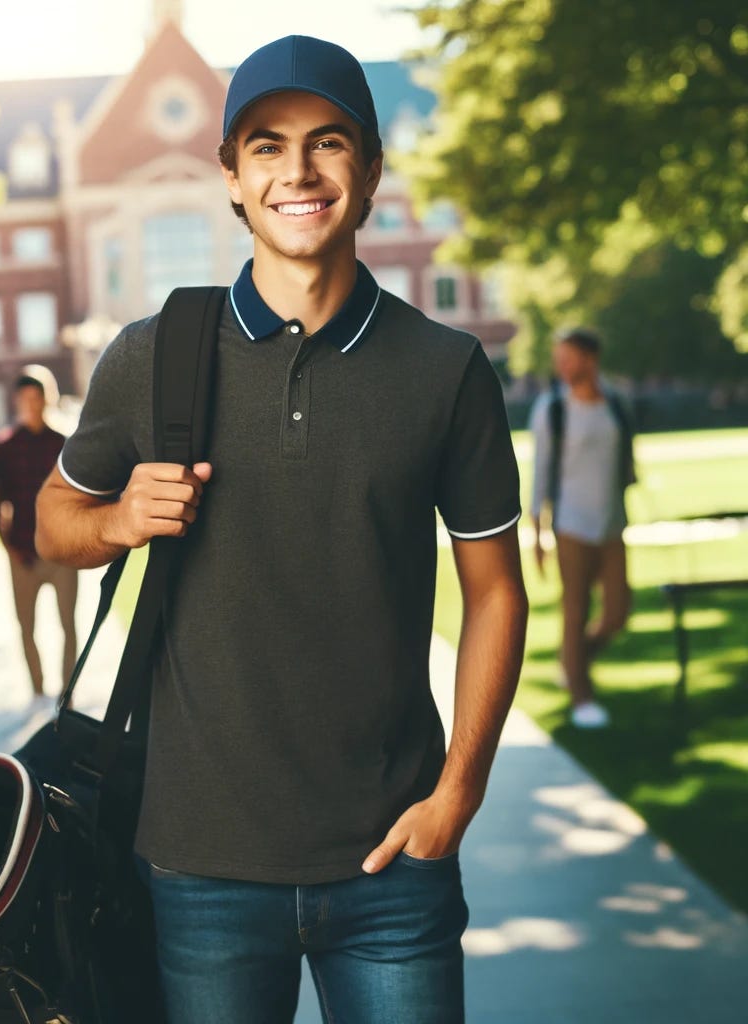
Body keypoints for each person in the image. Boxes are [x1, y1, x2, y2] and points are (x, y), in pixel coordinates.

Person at [36, 35, 528, 1024]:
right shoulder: (151, 355)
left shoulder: (445, 371)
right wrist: (122, 517)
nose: (296, 172)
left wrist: (457, 796)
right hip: (197, 869)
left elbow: (495, 592)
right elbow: (53, 521)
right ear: (230, 175)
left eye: (327, 144)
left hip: (395, 860)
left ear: (372, 168)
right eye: (266, 146)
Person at [530, 326, 635, 729]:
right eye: (559, 359)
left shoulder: (617, 403)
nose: (562, 366)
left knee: (618, 612)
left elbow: (624, 458)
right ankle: (581, 696)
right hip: (571, 526)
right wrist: (538, 530)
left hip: (612, 525)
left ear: (590, 359)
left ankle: (572, 661)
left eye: (568, 358)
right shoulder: (552, 409)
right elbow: (540, 471)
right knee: (574, 612)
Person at [0, 366, 78, 709]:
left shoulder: (64, 444)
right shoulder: (5, 446)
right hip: (22, 553)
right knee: (26, 627)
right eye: (24, 398)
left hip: (61, 552)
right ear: (17, 401)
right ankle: (38, 691)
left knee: (68, 625)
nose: (31, 404)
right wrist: (7, 547)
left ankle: (67, 692)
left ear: (47, 399)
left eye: (37, 397)